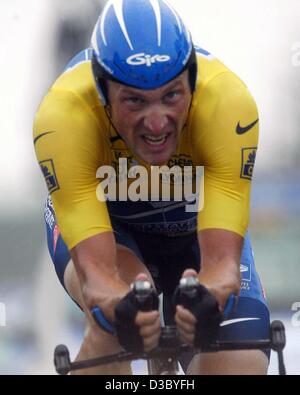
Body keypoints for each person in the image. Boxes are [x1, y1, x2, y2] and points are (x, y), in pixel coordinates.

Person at [34, 0, 270, 375]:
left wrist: (209, 299)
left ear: (192, 80)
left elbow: (222, 267)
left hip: (194, 232)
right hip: (113, 230)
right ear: (101, 90)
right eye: (133, 101)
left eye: (172, 96)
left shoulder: (227, 104)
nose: (157, 124)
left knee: (239, 358)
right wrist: (118, 308)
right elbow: (99, 282)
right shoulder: (64, 117)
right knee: (115, 320)